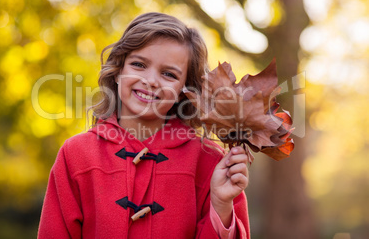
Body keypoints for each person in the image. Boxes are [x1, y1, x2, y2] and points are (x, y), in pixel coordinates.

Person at [38, 12, 250, 238]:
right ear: (118, 71)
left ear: (184, 90)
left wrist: (221, 205)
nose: (151, 80)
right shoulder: (76, 155)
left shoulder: (210, 161)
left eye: (168, 74)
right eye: (138, 64)